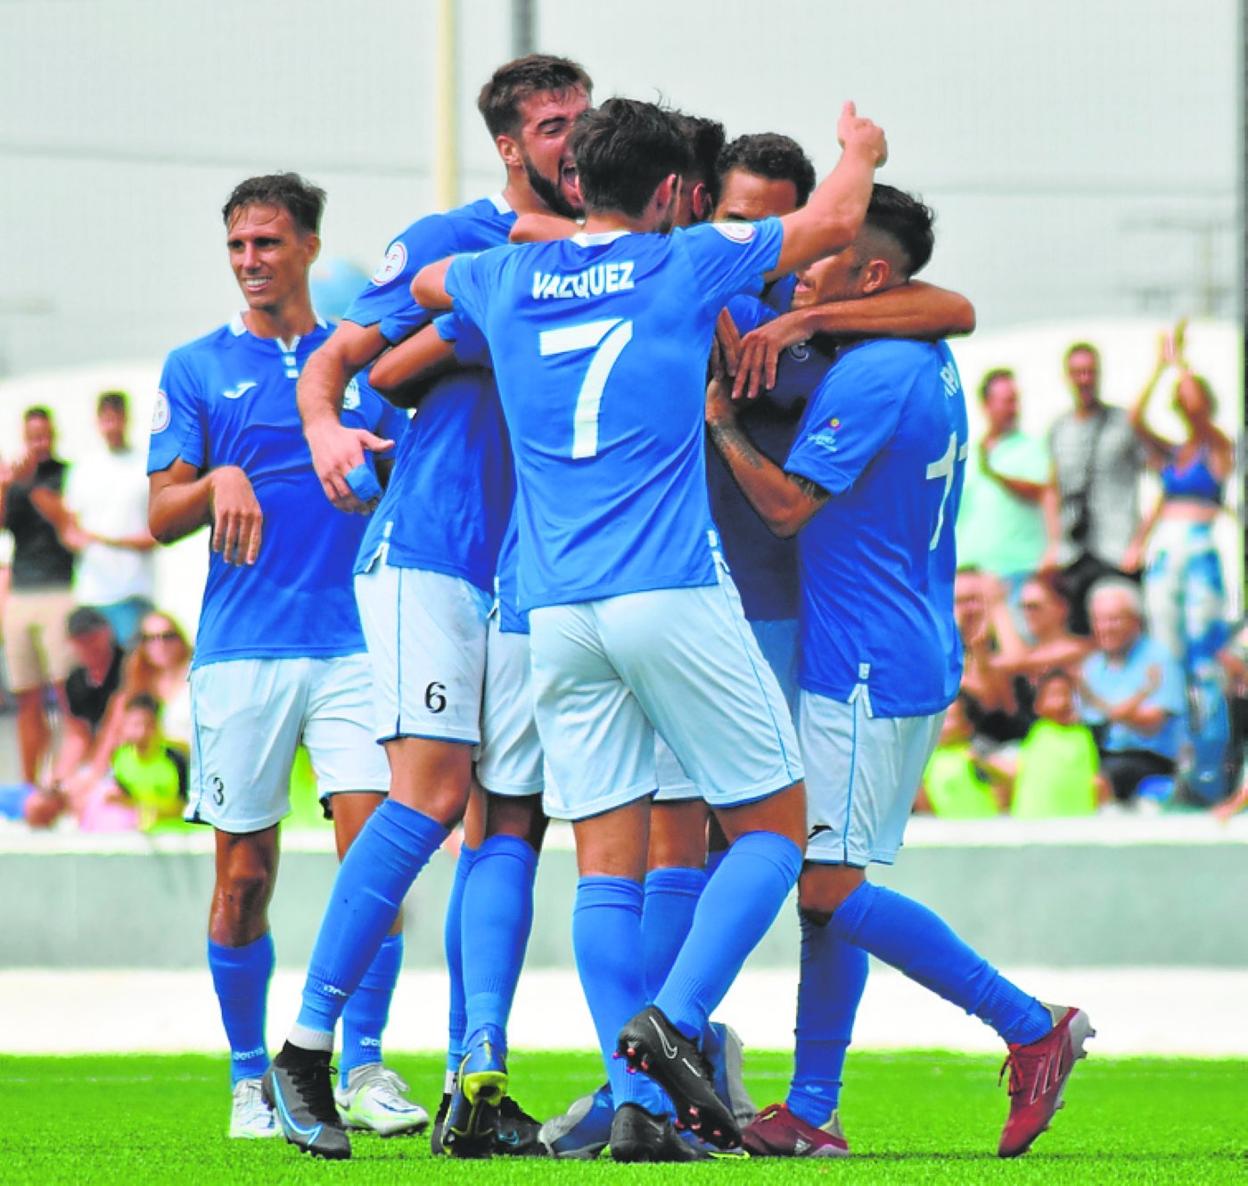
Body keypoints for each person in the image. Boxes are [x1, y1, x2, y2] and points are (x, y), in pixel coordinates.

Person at [402, 95, 887, 1163]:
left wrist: (543, 237)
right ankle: (673, 1024)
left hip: (557, 614)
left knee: (604, 866)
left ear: (577, 181)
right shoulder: (687, 259)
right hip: (667, 588)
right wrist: (859, 151)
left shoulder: (504, 274)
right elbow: (837, 223)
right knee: (773, 828)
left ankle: (638, 1108)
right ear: (673, 193)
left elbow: (428, 282)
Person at [705, 182, 1092, 1160]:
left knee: (820, 885)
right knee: (831, 879)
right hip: (898, 644)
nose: (806, 270)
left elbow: (788, 508)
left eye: (828, 255)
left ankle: (1029, 1023)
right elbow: (946, 305)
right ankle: (812, 1110)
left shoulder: (875, 369)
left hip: (866, 661)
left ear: (872, 273)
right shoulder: (918, 348)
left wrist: (722, 423)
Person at [270, 55, 593, 1162]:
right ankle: (309, 1049)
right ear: (510, 146)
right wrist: (323, 427)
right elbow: (339, 363)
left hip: (535, 576)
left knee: (513, 814)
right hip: (434, 554)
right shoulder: (453, 234)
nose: (571, 139)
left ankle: (478, 1077)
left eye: (581, 120)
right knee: (431, 794)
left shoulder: (611, 253)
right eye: (552, 125)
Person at [146, 172, 421, 1142]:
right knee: (244, 877)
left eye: (267, 242)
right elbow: (158, 516)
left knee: (376, 859)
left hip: (355, 645)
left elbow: (406, 471)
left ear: (308, 246)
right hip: (242, 653)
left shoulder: (358, 365)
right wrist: (218, 473)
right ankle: (250, 1076)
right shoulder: (196, 367)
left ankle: (365, 1064)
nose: (252, 260)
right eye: (237, 246)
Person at [1125, 322, 1233, 801]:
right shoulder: (1174, 452)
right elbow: (1135, 418)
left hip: (1199, 546)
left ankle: (1212, 765)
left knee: (1203, 659)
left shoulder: (1217, 446)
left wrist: (1182, 364)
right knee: (1170, 654)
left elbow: (1194, 406)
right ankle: (1183, 762)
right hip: (1167, 548)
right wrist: (1159, 367)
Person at [0, 407, 76, 789]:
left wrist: (30, 485)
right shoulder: (14, 483)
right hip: (22, 593)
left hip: (60, 590)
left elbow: (67, 522)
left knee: (65, 693)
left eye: (44, 436)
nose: (39, 443)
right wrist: (5, 485)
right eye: (33, 437)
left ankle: (63, 780)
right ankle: (31, 784)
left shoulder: (65, 475)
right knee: (26, 694)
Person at [1046, 342, 1144, 635]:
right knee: (1076, 633)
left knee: (1118, 632)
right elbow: (1052, 488)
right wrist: (1053, 542)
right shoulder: (1059, 428)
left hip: (1116, 548)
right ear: (1067, 377)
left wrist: (1139, 542)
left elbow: (1162, 479)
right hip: (1074, 552)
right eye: (1078, 372)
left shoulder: (1123, 423)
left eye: (1090, 372)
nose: (1084, 379)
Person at [63, 391, 157, 647]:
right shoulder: (83, 468)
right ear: (98, 422)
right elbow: (71, 526)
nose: (112, 426)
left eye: (117, 419)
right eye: (107, 420)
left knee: (131, 667)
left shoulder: (145, 465)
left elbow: (155, 534)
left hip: (133, 589)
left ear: (127, 419)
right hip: (91, 591)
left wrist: (104, 539)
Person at [1079, 578, 1186, 804]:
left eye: (1113, 619)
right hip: (1098, 752)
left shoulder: (1158, 659)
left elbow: (1151, 724)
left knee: (1097, 781)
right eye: (1098, 620)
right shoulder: (1093, 665)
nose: (1105, 627)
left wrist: (1109, 708)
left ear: (1136, 621)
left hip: (1149, 758)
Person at [955, 369, 1050, 615]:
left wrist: (995, 474)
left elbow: (1039, 491)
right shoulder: (969, 454)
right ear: (986, 405)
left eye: (1015, 401)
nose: (1014, 408)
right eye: (1007, 401)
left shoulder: (1031, 447)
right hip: (972, 577)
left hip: (1017, 572)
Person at [22, 606, 125, 828]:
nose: (88, 644)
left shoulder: (125, 667)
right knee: (38, 805)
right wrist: (60, 780)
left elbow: (114, 730)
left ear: (106, 633)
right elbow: (77, 734)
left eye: (92, 637)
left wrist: (92, 776)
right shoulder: (76, 680)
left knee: (85, 800)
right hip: (97, 757)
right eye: (81, 639)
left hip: (124, 755)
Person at [107, 691, 190, 832]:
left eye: (147, 725)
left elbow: (185, 804)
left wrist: (158, 813)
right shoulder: (119, 758)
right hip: (136, 833)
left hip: (176, 834)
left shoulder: (175, 757)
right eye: (135, 724)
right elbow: (118, 799)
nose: (141, 732)